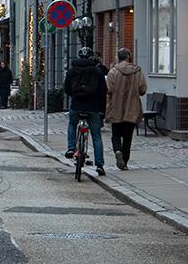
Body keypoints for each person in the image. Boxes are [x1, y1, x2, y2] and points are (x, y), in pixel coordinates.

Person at [63, 46, 108, 175]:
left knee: (72, 124)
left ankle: (71, 148)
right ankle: (99, 165)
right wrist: (101, 110)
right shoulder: (97, 71)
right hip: (93, 107)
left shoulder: (72, 70)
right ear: (90, 56)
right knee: (96, 136)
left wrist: (75, 96)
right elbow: (103, 91)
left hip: (77, 106)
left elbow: (66, 88)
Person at [105, 47, 147, 171]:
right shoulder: (137, 71)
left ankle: (117, 151)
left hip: (116, 107)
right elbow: (142, 89)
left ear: (118, 57)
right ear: (128, 56)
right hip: (132, 108)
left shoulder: (113, 72)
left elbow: (109, 90)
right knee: (128, 137)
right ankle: (125, 161)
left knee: (116, 134)